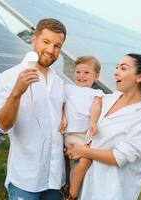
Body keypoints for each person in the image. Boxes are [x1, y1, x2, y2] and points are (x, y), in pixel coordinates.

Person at [67, 53, 141, 200]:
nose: (116, 72)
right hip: (85, 186)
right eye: (116, 67)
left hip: (110, 192)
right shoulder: (107, 99)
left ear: (139, 77)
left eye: (123, 68)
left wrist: (83, 150)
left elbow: (120, 157)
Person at [0, 18, 66, 200]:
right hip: (26, 180)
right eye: (46, 42)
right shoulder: (9, 77)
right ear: (34, 40)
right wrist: (17, 93)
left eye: (57, 45)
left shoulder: (59, 82)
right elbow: (2, 125)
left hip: (55, 180)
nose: (51, 50)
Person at [58, 56, 104, 199]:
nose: (81, 76)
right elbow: (60, 104)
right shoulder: (69, 89)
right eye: (78, 72)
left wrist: (93, 122)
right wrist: (63, 117)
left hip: (86, 134)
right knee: (86, 160)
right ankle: (72, 193)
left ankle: (71, 187)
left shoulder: (97, 93)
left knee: (84, 161)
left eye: (86, 73)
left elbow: (96, 107)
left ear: (96, 76)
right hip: (71, 133)